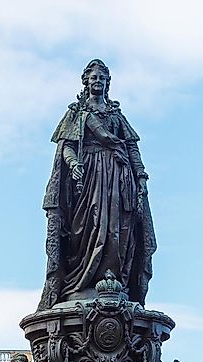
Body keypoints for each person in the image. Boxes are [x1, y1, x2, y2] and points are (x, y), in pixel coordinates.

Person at [41, 59, 155, 308]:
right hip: (89, 174)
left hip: (117, 174)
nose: (98, 82)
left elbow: (131, 148)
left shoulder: (115, 115)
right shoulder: (77, 113)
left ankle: (113, 279)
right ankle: (79, 283)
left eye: (102, 78)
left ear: (107, 83)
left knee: (117, 228)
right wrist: (74, 165)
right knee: (87, 226)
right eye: (93, 78)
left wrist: (141, 176)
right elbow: (66, 147)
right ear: (86, 81)